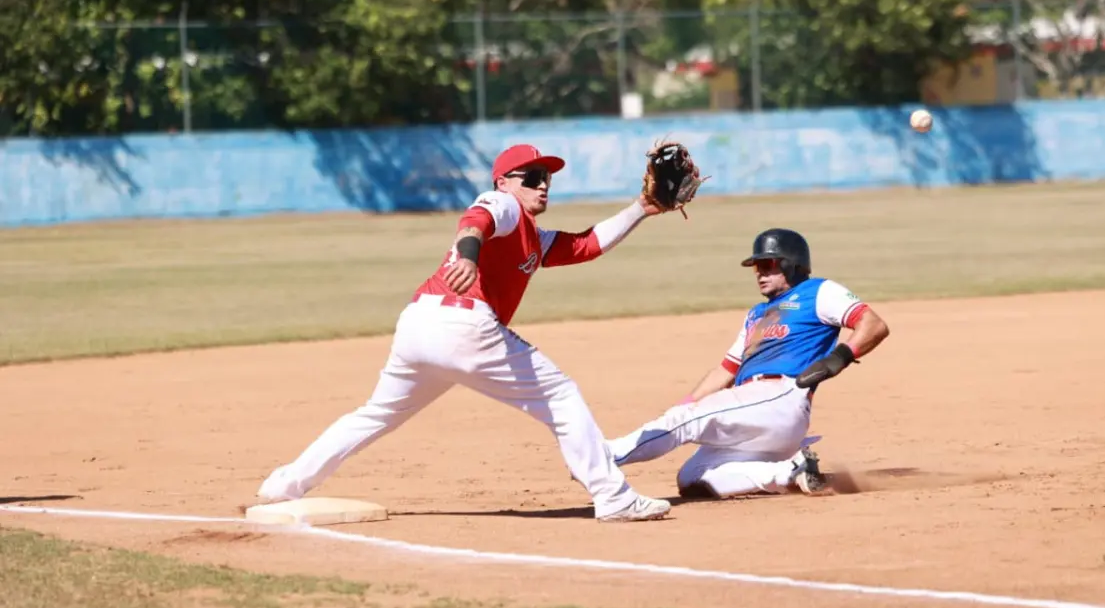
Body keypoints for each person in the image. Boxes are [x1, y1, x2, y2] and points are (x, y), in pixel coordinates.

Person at [255, 143, 690, 522]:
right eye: (533, 176)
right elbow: (475, 219)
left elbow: (587, 245)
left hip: (420, 326)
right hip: (462, 325)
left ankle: (284, 486)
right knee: (560, 395)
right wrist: (467, 255)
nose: (543, 185)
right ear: (505, 181)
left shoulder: (532, 238)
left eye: (548, 179)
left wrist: (641, 209)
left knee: (376, 414)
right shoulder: (502, 205)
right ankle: (612, 496)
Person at [605, 228, 890, 499]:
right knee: (693, 477)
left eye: (768, 265)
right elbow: (726, 370)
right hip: (757, 413)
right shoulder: (757, 313)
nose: (760, 273)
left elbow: (873, 324)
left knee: (685, 421)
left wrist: (837, 359)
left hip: (780, 396)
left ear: (792, 264)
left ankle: (600, 457)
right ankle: (790, 473)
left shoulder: (818, 292)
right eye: (757, 267)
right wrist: (684, 405)